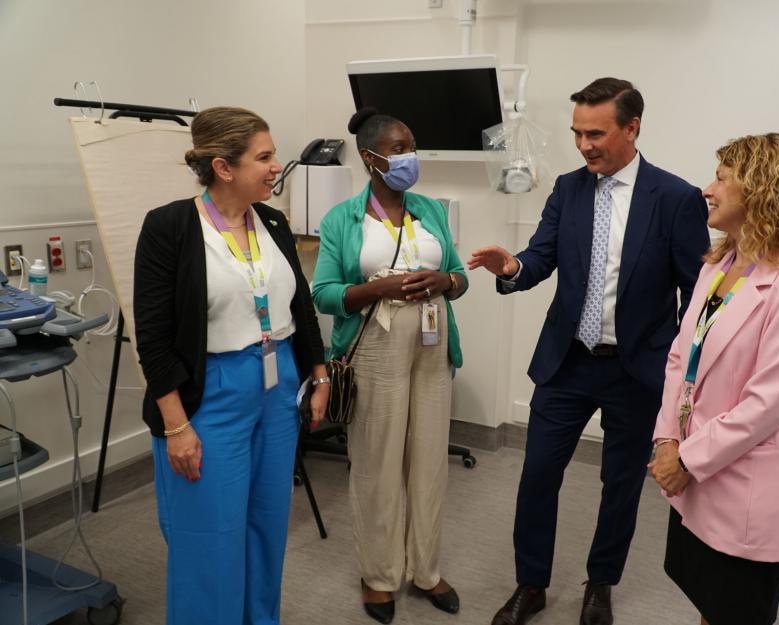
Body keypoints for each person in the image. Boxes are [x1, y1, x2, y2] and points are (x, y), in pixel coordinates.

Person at [468, 78, 710, 625]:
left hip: (636, 371)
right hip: (567, 362)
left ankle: (600, 585)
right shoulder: (568, 188)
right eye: (577, 133)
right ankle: (530, 583)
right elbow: (540, 256)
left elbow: (695, 295)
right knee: (537, 478)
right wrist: (512, 269)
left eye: (595, 133)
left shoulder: (674, 198)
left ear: (632, 127)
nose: (584, 145)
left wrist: (681, 374)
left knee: (620, 485)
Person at [134, 106, 329, 625]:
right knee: (211, 539)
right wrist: (176, 425)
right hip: (210, 393)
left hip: (277, 383)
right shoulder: (169, 226)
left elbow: (300, 304)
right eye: (263, 158)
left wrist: (319, 373)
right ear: (224, 168)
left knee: (267, 527)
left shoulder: (271, 220)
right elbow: (152, 338)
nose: (275, 167)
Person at [648, 133, 779, 625]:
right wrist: (668, 436)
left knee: (737, 610)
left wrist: (685, 458)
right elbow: (679, 357)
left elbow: (768, 403)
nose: (707, 189)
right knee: (708, 601)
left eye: (722, 179)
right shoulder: (722, 264)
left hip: (745, 484)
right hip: (697, 472)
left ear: (761, 190)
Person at [312, 107, 468, 624]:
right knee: (377, 464)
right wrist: (378, 287)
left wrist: (444, 283)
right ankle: (378, 575)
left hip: (431, 343)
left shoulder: (430, 210)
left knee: (428, 463)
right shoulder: (341, 219)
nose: (409, 157)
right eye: (399, 148)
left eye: (412, 145)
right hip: (374, 347)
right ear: (370, 157)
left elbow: (459, 276)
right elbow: (324, 293)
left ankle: (425, 569)